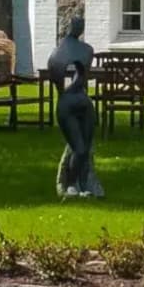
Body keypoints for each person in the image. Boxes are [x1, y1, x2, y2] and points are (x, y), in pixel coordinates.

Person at [43, 12, 103, 199]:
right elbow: (58, 82)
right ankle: (70, 184)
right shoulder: (58, 54)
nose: (80, 29)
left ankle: (85, 184)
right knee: (79, 147)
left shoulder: (86, 50)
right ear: (71, 27)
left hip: (83, 104)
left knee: (86, 147)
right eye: (78, 25)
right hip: (68, 106)